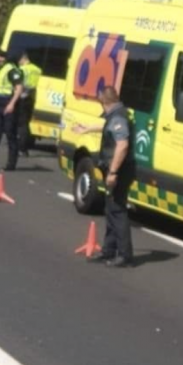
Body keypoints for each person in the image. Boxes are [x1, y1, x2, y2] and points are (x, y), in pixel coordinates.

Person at [73, 86, 136, 268]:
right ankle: (109, 250)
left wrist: (113, 172)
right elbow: (110, 127)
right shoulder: (118, 114)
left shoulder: (118, 117)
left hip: (119, 170)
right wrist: (88, 128)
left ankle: (124, 255)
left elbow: (122, 145)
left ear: (103, 102)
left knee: (117, 210)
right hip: (119, 168)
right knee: (110, 209)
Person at [17, 52, 42, 157]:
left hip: (23, 97)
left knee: (22, 124)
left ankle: (22, 148)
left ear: (23, 59)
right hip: (32, 98)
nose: (19, 62)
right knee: (26, 123)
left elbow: (20, 84)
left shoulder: (23, 69)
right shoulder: (37, 69)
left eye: (19, 60)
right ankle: (24, 147)